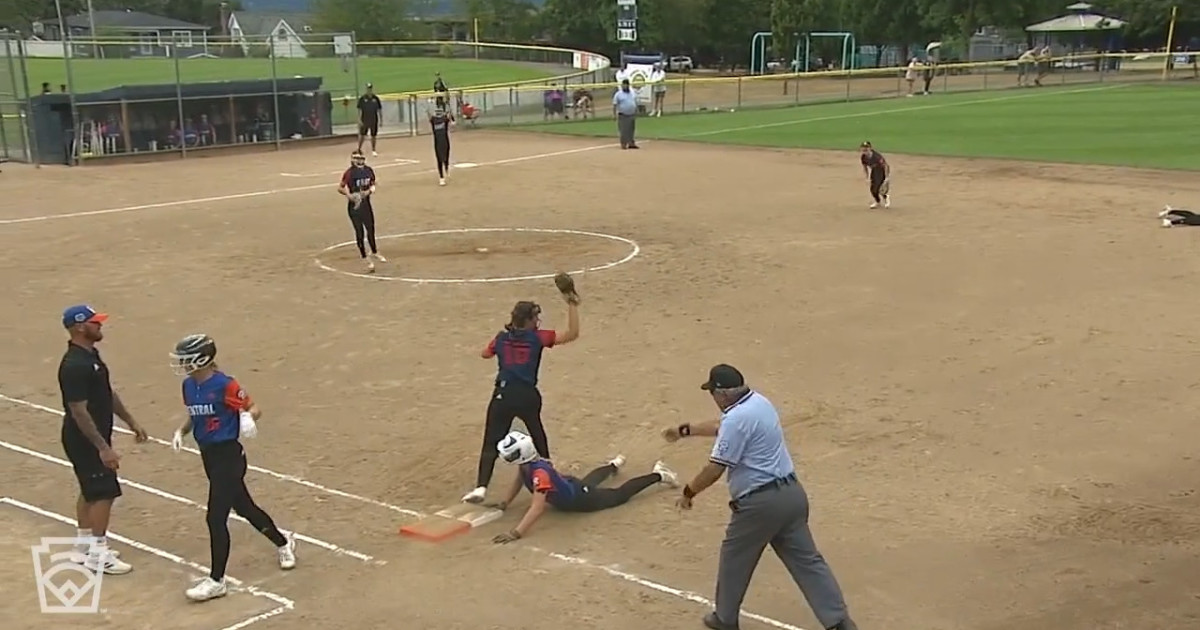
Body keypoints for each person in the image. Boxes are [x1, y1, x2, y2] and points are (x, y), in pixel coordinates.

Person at [665, 364, 858, 630]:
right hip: (792, 497)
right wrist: (687, 430)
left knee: (735, 560)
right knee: (808, 562)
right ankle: (839, 622)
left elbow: (715, 468)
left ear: (721, 394)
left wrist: (689, 492)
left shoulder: (735, 419)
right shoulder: (760, 403)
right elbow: (724, 427)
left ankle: (724, 619)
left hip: (760, 505)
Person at [168, 334, 296, 602]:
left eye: (186, 358)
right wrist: (182, 431)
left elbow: (253, 407)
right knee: (245, 508)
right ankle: (283, 542)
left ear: (201, 358)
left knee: (215, 518)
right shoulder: (188, 386)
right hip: (209, 456)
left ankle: (217, 580)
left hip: (229, 456)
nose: (182, 363)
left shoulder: (225, 384)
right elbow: (195, 414)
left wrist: (248, 418)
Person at [461, 292, 581, 504]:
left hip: (503, 395)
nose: (537, 321)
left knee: (491, 442)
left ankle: (481, 487)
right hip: (527, 395)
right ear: (527, 320)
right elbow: (571, 334)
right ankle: (548, 470)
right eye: (535, 317)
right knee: (536, 432)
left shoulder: (500, 338)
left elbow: (484, 354)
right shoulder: (538, 337)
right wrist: (572, 304)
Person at [58, 305, 149, 574]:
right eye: (94, 323)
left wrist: (130, 421)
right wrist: (103, 448)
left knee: (90, 489)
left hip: (89, 438)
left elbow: (106, 393)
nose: (99, 326)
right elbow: (78, 410)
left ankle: (84, 545)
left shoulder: (90, 357)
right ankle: (99, 555)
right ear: (79, 327)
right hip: (85, 439)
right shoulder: (74, 365)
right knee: (104, 493)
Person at [484, 430, 679, 543]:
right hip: (571, 487)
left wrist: (515, 533)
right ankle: (613, 466)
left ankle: (660, 474)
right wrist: (504, 503)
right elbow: (519, 480)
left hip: (581, 500)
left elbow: (537, 507)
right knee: (589, 481)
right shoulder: (527, 466)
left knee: (619, 495)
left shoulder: (539, 474)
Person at [338, 150, 386, 273]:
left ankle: (374, 251)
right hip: (354, 207)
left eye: (360, 158)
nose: (359, 160)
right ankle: (365, 258)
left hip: (366, 204)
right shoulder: (350, 173)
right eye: (356, 158)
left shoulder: (369, 170)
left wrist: (370, 191)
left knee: (371, 228)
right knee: (359, 232)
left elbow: (374, 183)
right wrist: (349, 196)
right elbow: (340, 187)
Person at [859, 141, 890, 209]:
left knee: (879, 188)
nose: (865, 150)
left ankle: (886, 198)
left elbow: (885, 166)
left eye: (866, 148)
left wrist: (887, 177)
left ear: (870, 148)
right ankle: (878, 202)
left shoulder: (877, 156)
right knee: (872, 189)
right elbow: (865, 167)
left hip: (881, 171)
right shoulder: (863, 157)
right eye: (863, 149)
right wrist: (867, 177)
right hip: (874, 171)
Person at [429, 106, 455, 186]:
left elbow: (453, 122)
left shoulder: (445, 119)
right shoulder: (433, 120)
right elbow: (430, 118)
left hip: (445, 142)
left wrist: (451, 114)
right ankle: (441, 177)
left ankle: (446, 169)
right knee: (439, 160)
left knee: (446, 157)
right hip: (437, 143)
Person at [356, 83, 382, 156]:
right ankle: (359, 149)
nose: (369, 90)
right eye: (368, 88)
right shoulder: (362, 99)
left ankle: (373, 150)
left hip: (374, 119)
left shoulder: (375, 98)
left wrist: (381, 120)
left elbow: (379, 110)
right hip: (365, 119)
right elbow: (359, 110)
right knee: (362, 135)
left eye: (370, 88)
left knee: (373, 135)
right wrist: (359, 120)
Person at [613, 78, 639, 150]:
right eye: (623, 85)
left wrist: (636, 111)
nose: (624, 86)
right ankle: (623, 144)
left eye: (625, 85)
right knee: (623, 130)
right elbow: (615, 104)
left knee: (631, 129)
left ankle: (631, 143)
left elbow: (635, 102)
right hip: (623, 115)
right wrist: (614, 114)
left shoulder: (632, 92)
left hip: (632, 114)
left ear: (628, 85)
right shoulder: (618, 94)